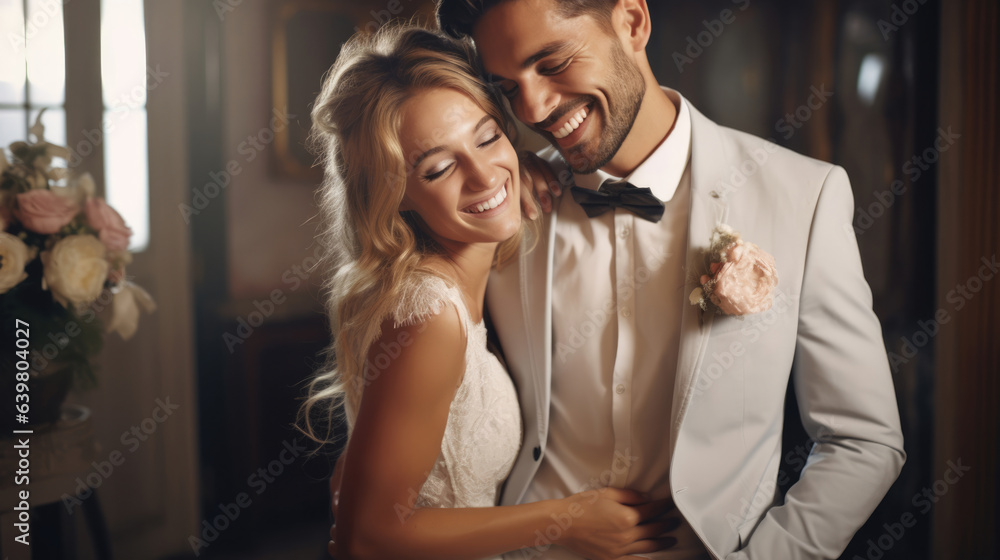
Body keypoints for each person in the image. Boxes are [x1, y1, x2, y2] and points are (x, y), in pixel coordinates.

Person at [430, 1, 907, 559]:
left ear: (632, 22)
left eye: (552, 62)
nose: (532, 108)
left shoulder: (802, 197)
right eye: (509, 88)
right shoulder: (502, 209)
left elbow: (862, 440)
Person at [301, 25, 677, 560]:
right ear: (394, 192)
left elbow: (360, 476)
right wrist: (568, 520)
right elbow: (366, 536)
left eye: (486, 137)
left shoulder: (459, 276)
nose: (482, 176)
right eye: (438, 167)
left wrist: (515, 167)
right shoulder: (430, 314)